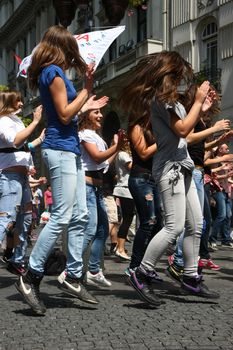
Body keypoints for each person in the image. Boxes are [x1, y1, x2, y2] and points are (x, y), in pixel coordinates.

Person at [15, 25, 108, 315]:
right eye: (71, 51)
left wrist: (85, 101)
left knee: (80, 214)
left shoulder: (54, 72)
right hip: (60, 150)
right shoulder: (53, 73)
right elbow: (66, 115)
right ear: (62, 48)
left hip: (70, 150)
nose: (73, 56)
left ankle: (73, 275)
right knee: (61, 216)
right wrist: (86, 91)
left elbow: (67, 113)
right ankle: (30, 275)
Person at [120, 51, 219, 306]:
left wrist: (202, 108)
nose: (184, 80)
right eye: (180, 75)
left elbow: (186, 131)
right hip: (170, 169)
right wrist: (197, 100)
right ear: (171, 75)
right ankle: (141, 271)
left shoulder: (173, 102)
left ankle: (190, 276)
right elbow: (183, 130)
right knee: (173, 226)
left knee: (196, 224)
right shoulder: (162, 100)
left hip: (182, 166)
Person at [79, 107, 125, 287]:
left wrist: (115, 145)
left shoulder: (96, 136)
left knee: (102, 230)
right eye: (95, 112)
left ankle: (93, 270)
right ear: (85, 115)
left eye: (100, 112)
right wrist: (117, 146)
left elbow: (104, 162)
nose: (100, 115)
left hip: (97, 189)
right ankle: (69, 271)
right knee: (90, 230)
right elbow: (97, 158)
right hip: (87, 186)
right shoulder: (84, 134)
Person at [0, 90, 43, 274]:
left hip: (22, 178)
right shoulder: (3, 120)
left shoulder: (16, 121)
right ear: (8, 102)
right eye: (18, 101)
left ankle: (17, 259)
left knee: (24, 221)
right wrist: (34, 122)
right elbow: (15, 141)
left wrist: (39, 140)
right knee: (6, 219)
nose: (21, 104)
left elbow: (23, 147)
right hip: (9, 177)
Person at [113, 141, 135, 260]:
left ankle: (120, 247)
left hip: (127, 189)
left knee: (127, 218)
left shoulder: (124, 154)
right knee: (127, 219)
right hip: (125, 189)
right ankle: (120, 248)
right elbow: (131, 166)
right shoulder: (122, 154)